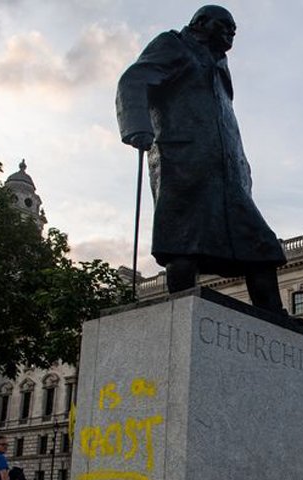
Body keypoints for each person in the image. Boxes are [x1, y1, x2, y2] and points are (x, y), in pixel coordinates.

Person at [116, 5, 287, 315]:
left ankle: (274, 314)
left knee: (260, 244)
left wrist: (242, 167)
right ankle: (180, 308)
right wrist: (137, 126)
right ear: (201, 23)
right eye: (225, 25)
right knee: (183, 241)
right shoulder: (174, 45)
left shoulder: (220, 65)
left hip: (226, 172)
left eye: (234, 29)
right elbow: (133, 80)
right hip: (183, 160)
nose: (231, 33)